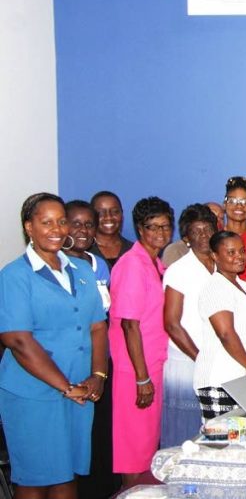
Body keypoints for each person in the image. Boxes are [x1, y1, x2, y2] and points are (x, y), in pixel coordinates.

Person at [0, 193, 108, 497]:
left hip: (80, 391)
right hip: (33, 394)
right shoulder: (14, 275)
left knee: (67, 475)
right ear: (29, 227)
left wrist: (98, 376)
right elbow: (17, 340)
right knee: (35, 479)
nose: (56, 229)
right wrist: (65, 386)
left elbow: (98, 327)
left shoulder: (82, 270)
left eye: (61, 221)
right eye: (46, 222)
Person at [109, 196, 174, 488]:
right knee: (134, 452)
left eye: (165, 226)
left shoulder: (155, 263)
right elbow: (129, 324)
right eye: (153, 226)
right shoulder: (132, 264)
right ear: (139, 229)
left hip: (153, 366)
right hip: (136, 371)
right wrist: (141, 377)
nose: (160, 232)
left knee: (148, 450)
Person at [63, 200, 118, 497]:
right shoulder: (56, 266)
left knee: (99, 437)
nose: (83, 230)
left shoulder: (100, 266)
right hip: (69, 364)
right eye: (76, 223)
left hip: (100, 362)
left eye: (89, 224)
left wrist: (101, 369)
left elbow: (105, 318)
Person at [193, 231, 246, 419]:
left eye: (242, 251)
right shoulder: (215, 287)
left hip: (242, 379)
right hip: (219, 380)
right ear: (215, 256)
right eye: (231, 252)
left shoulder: (244, 286)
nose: (239, 257)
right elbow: (226, 334)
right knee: (223, 445)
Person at [161, 204, 217, 448]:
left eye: (208, 229)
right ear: (186, 238)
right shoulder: (178, 271)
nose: (204, 236)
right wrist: (200, 358)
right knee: (185, 437)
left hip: (217, 365)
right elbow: (172, 324)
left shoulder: (222, 268)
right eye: (197, 231)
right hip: (187, 363)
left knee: (215, 436)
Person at [89, 190, 133, 268]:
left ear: (122, 214)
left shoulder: (133, 250)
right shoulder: (85, 251)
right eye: (101, 213)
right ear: (91, 216)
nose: (108, 217)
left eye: (115, 212)